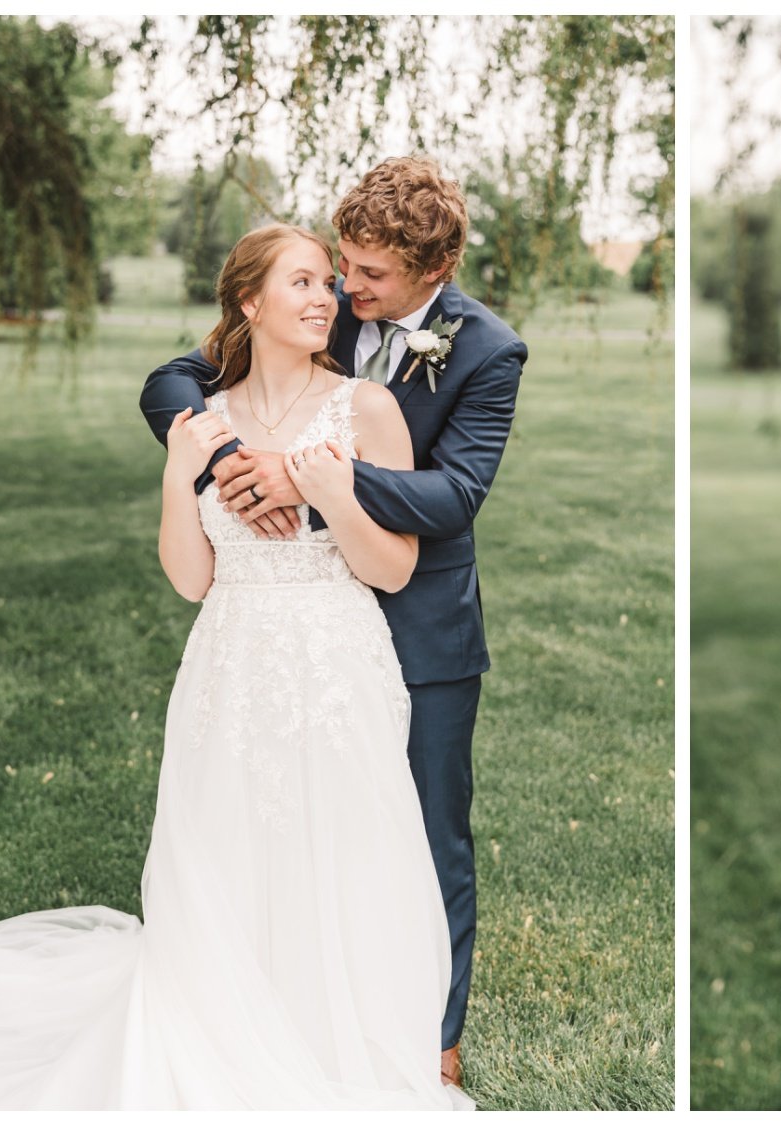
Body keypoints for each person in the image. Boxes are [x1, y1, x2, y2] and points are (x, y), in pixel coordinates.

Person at [0, 224, 472, 1109]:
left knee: (342, 847)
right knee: (229, 846)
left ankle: (336, 1032)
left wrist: (333, 492)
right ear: (247, 302)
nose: (325, 298)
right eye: (301, 282)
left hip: (339, 661)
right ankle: (227, 1021)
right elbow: (192, 578)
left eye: (328, 285)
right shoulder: (206, 419)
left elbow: (392, 569)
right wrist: (179, 474)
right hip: (230, 662)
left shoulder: (367, 409)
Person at [139, 157, 525, 1088]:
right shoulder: (321, 298)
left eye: (368, 278)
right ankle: (266, 996)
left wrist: (316, 481)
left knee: (427, 830)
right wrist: (228, 458)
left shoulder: (485, 350)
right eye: (337, 269)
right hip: (266, 626)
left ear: (432, 272)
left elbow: (457, 493)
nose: (346, 292)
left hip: (417, 619)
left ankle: (426, 1034)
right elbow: (173, 380)